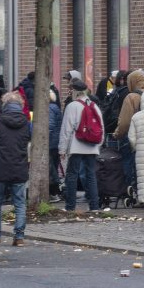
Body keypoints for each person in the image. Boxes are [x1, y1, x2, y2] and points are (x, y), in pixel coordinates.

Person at [0, 92, 32, 246]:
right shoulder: (26, 123)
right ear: (20, 106)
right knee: (19, 203)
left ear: (5, 105)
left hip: (0, 167)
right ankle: (19, 237)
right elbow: (28, 140)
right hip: (19, 167)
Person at [59, 80, 103, 212]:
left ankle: (70, 206)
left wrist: (62, 149)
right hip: (92, 146)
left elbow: (66, 129)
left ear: (74, 91)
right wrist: (98, 145)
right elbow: (101, 127)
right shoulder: (94, 105)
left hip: (76, 146)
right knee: (91, 175)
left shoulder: (72, 106)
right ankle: (94, 206)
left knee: (72, 175)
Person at [111, 70, 144, 186]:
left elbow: (125, 122)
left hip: (131, 137)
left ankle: (130, 189)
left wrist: (117, 133)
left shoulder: (131, 97)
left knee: (129, 164)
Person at [48, 85, 64, 199]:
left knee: (51, 167)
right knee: (53, 165)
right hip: (56, 141)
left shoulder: (49, 109)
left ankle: (54, 191)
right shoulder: (55, 107)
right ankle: (55, 190)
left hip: (51, 142)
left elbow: (50, 126)